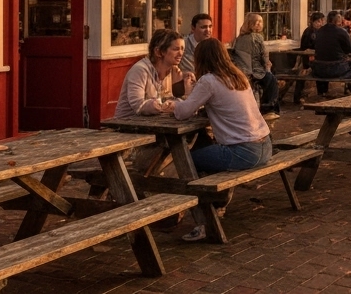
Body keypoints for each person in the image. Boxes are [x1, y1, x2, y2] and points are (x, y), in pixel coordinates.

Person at [173, 38, 273, 242]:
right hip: (265, 146)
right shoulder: (238, 76)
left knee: (187, 160)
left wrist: (178, 99)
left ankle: (206, 219)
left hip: (244, 152)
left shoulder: (209, 80)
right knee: (204, 149)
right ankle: (218, 202)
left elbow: (183, 112)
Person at [115, 29, 194, 118]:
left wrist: (185, 89)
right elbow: (138, 106)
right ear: (158, 51)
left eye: (182, 49)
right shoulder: (140, 70)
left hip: (155, 123)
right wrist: (162, 105)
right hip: (126, 124)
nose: (181, 53)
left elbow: (174, 102)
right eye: (176, 49)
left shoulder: (173, 71)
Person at [231, 13, 279, 117]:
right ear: (255, 24)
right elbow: (263, 56)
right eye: (260, 22)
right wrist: (268, 67)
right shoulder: (257, 37)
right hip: (253, 71)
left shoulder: (239, 38)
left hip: (241, 69)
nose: (261, 24)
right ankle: (269, 108)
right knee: (271, 79)